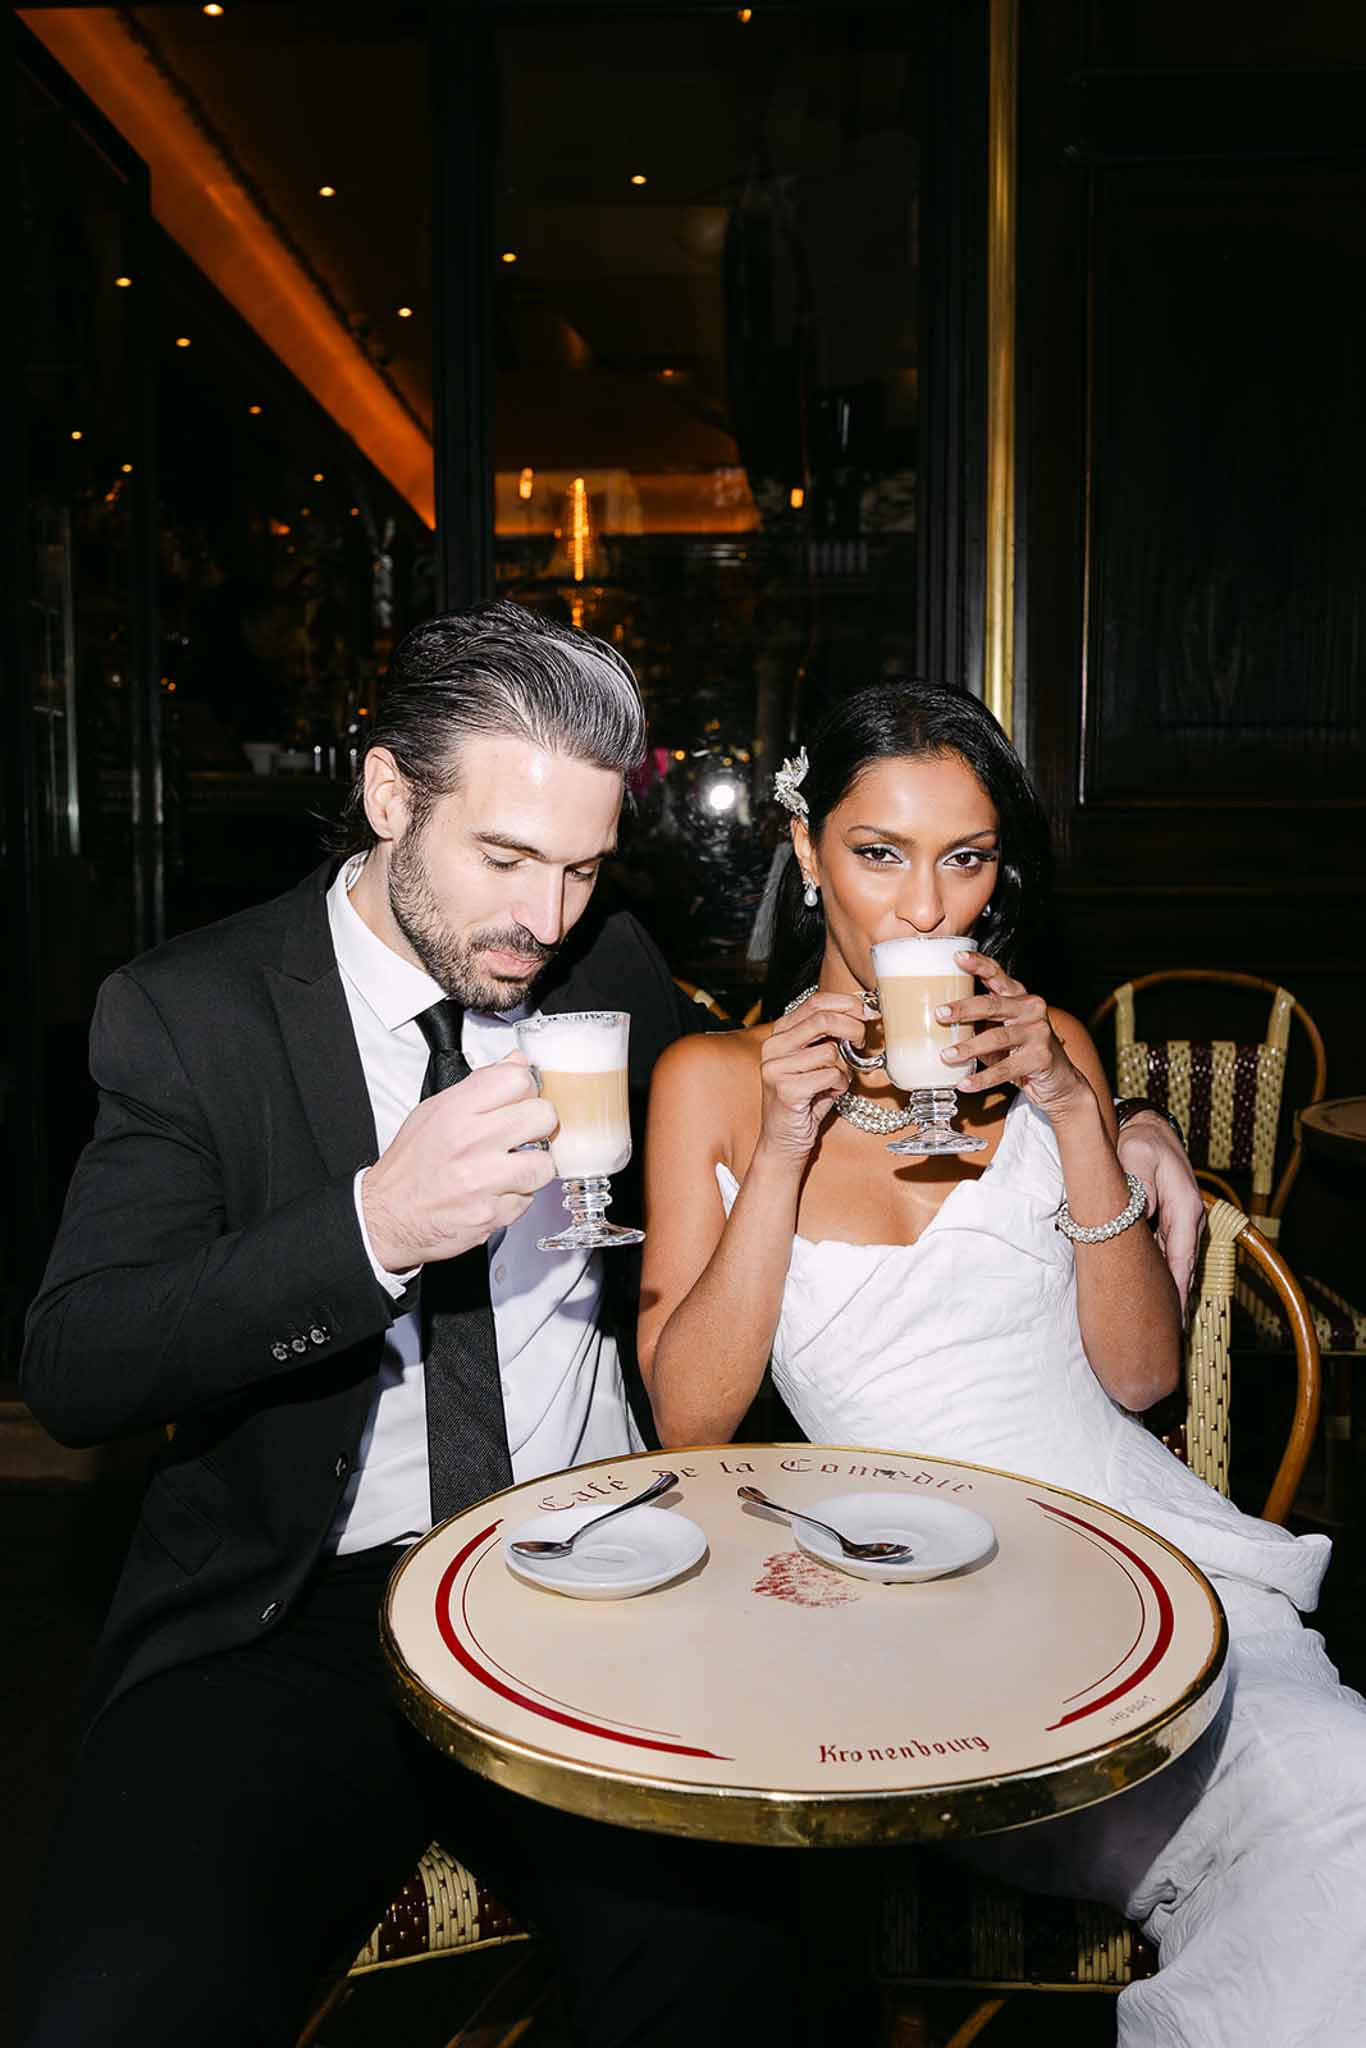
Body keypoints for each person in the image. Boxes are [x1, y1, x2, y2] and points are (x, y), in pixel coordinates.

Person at [17, 602, 793, 2048]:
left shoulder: (607, 971)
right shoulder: (195, 1012)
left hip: (595, 1584)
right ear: (386, 795)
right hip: (300, 1613)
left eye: (579, 867)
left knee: (730, 1977)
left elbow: (752, 1084)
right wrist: (367, 1228)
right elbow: (78, 1362)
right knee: (111, 2014)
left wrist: (1090, 1120)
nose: (544, 919)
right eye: (501, 859)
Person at [638, 681, 1366, 2048]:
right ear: (805, 854)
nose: (924, 909)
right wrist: (784, 1146)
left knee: (1346, 1816)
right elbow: (689, 1416)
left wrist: (1088, 1114)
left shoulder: (1059, 1054)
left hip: (1146, 1564)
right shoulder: (714, 1081)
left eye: (963, 859)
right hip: (918, 1618)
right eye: (878, 854)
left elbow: (1142, 1381)